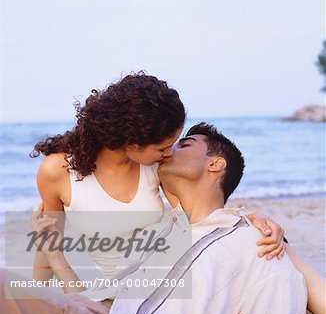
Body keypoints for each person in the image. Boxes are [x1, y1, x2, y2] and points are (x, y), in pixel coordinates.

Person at [1, 122, 314, 314]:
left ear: (216, 164)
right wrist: (55, 257)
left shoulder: (257, 243)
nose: (167, 152)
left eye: (184, 144)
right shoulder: (162, 235)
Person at [31, 72, 286, 283]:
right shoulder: (56, 172)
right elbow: (49, 242)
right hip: (113, 294)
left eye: (173, 145)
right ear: (130, 142)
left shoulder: (156, 167)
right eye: (163, 147)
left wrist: (255, 218)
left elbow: (202, 221)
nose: (169, 154)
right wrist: (34, 298)